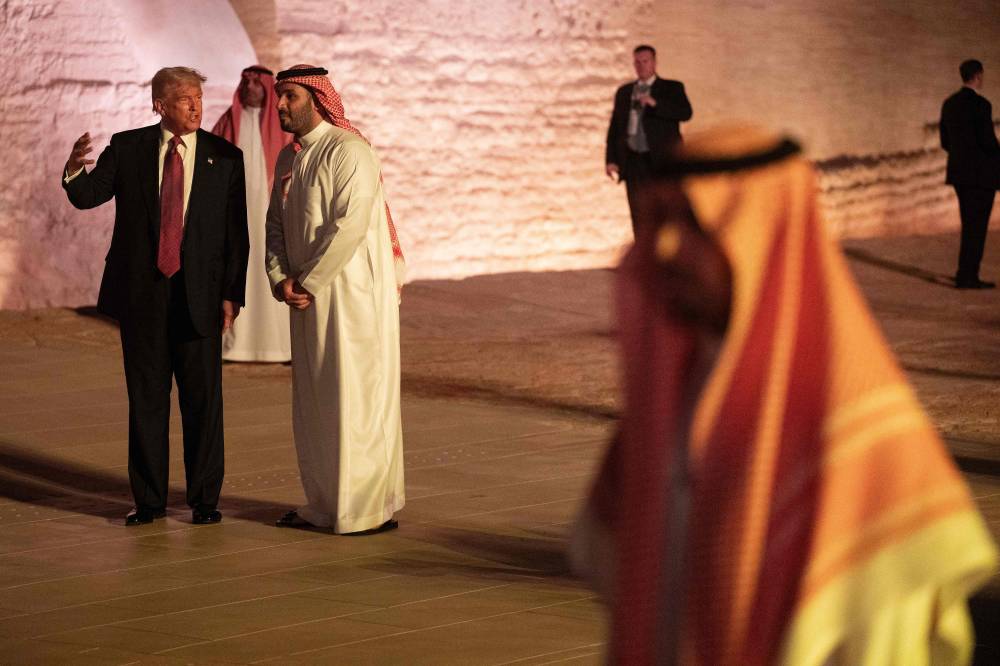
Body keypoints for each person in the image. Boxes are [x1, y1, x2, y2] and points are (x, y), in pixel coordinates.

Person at [571, 126, 998, 665]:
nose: (666, 246)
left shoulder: (861, 439)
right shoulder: (672, 393)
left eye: (694, 225)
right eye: (663, 219)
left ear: (760, 237)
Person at [62, 67, 249, 526]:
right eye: (185, 98)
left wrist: (232, 295)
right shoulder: (127, 148)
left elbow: (235, 234)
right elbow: (88, 196)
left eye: (199, 97)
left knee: (203, 402)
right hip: (143, 297)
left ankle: (204, 501)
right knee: (146, 399)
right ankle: (148, 502)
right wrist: (72, 169)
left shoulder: (224, 157)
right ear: (159, 105)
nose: (195, 106)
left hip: (199, 298)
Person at [265, 65, 405, 535]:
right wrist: (280, 276)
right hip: (306, 297)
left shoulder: (350, 151)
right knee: (316, 402)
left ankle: (363, 509)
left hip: (351, 296)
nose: (280, 105)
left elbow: (351, 224)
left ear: (317, 99)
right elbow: (275, 226)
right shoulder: (288, 159)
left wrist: (310, 282)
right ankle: (324, 505)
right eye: (278, 97)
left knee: (355, 397)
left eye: (289, 96)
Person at [212, 65, 293, 362]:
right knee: (238, 272)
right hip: (234, 216)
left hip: (272, 216)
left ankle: (278, 347)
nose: (250, 89)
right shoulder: (228, 123)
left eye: (257, 84)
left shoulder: (282, 129)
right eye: (246, 84)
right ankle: (235, 344)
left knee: (272, 270)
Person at [605, 44, 692, 233]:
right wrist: (611, 159)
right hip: (634, 160)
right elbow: (615, 127)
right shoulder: (625, 92)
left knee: (666, 212)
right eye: (637, 62)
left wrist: (656, 104)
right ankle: (643, 258)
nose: (641, 65)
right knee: (639, 212)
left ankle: (667, 258)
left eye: (645, 61)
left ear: (654, 62)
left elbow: (685, 113)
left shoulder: (671, 88)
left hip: (662, 160)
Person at [940, 59, 1000, 289]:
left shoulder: (949, 103)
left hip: (959, 174)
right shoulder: (982, 105)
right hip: (981, 177)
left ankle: (964, 273)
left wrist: (961, 157)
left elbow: (945, 141)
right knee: (978, 227)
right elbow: (988, 143)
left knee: (969, 224)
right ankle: (968, 276)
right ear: (977, 76)